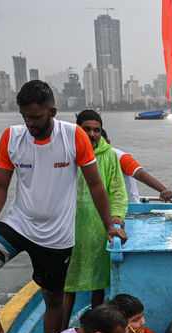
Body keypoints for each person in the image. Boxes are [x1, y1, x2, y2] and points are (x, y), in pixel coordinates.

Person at [0, 80, 126, 333]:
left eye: (36, 117)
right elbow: (0, 185)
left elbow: (97, 185)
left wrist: (109, 225)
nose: (30, 123)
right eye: (25, 116)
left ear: (52, 111)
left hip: (57, 234)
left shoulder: (73, 136)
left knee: (53, 299)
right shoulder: (12, 137)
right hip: (20, 222)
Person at [64, 110, 128, 313]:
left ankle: (95, 328)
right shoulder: (66, 152)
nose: (92, 134)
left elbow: (118, 190)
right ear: (77, 130)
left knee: (98, 282)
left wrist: (116, 215)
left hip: (98, 226)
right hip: (68, 226)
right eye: (86, 129)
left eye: (96, 130)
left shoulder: (109, 156)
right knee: (67, 283)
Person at [106, 133, 172, 203]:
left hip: (128, 206)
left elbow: (140, 174)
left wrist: (163, 190)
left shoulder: (120, 157)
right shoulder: (94, 158)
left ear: (108, 142)